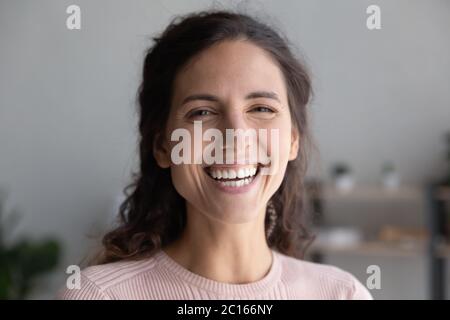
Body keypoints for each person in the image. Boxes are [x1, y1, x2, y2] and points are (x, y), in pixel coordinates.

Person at [57, 10, 373, 300]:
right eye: (202, 112)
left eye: (261, 109)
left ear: (292, 139)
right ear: (162, 146)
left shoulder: (341, 295)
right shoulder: (97, 296)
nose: (235, 136)